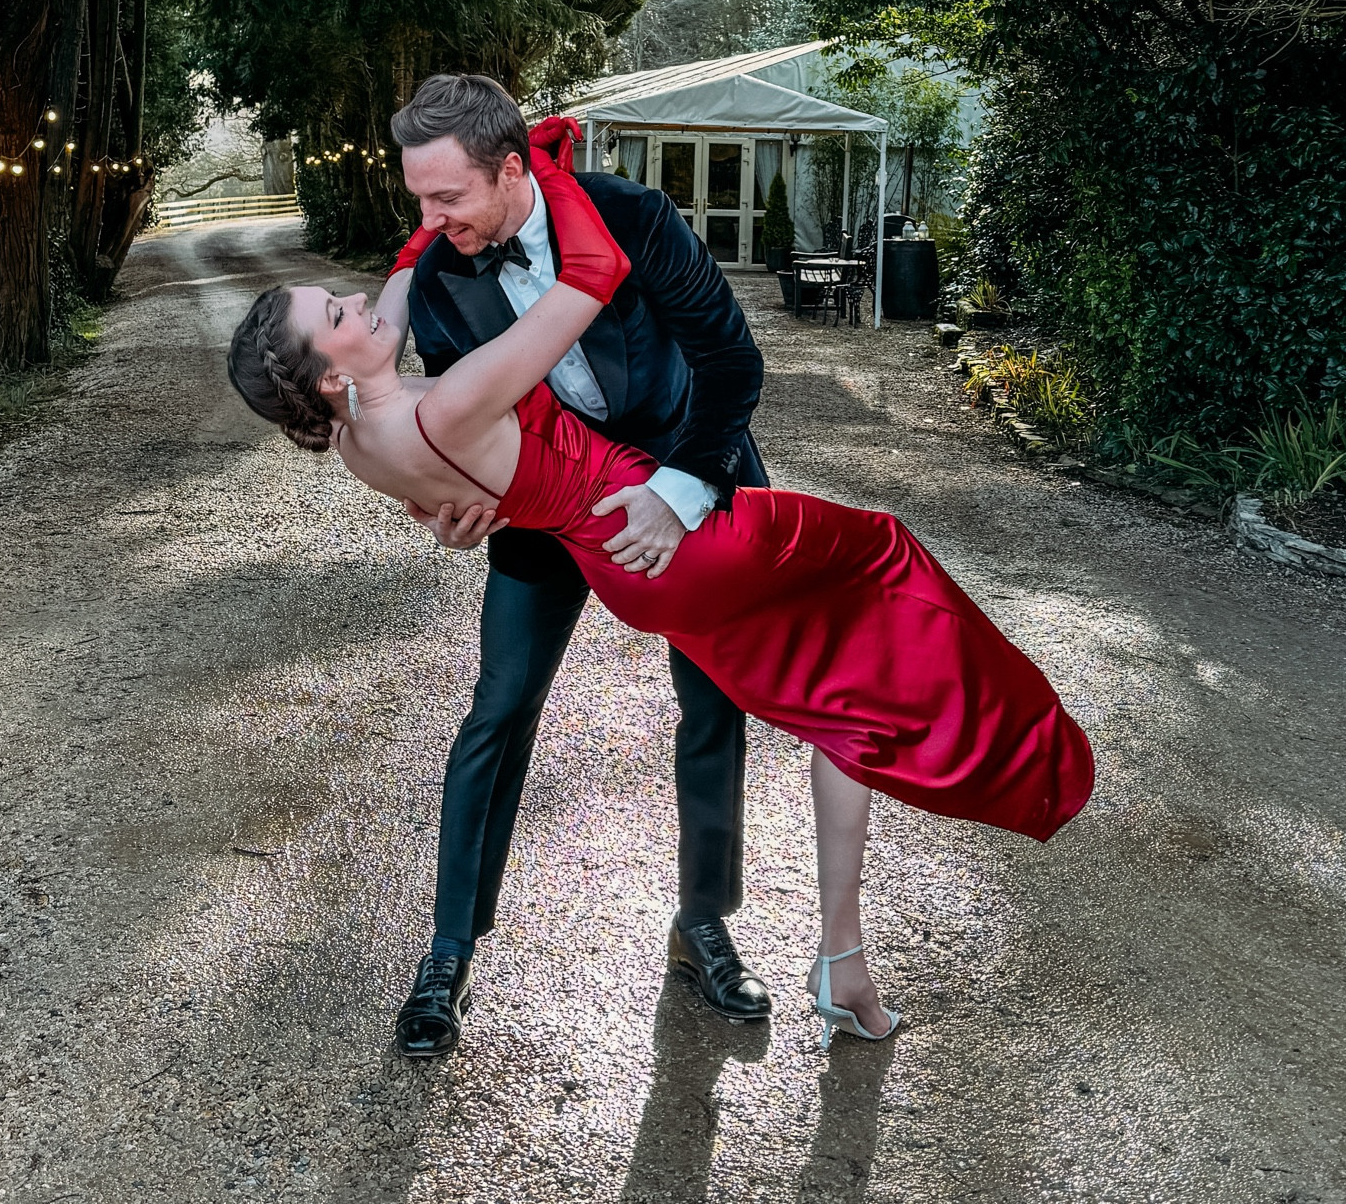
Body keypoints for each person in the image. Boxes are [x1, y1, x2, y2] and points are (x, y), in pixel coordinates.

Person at [228, 120, 1096, 1051]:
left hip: (682, 483)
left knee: (718, 705)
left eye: (447, 197)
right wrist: (447, 512)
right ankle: (449, 950)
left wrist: (680, 488)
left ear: (506, 170)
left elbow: (728, 359)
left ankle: (704, 924)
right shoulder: (440, 279)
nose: (433, 221)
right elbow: (445, 397)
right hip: (542, 520)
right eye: (422, 204)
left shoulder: (630, 214)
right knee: (499, 708)